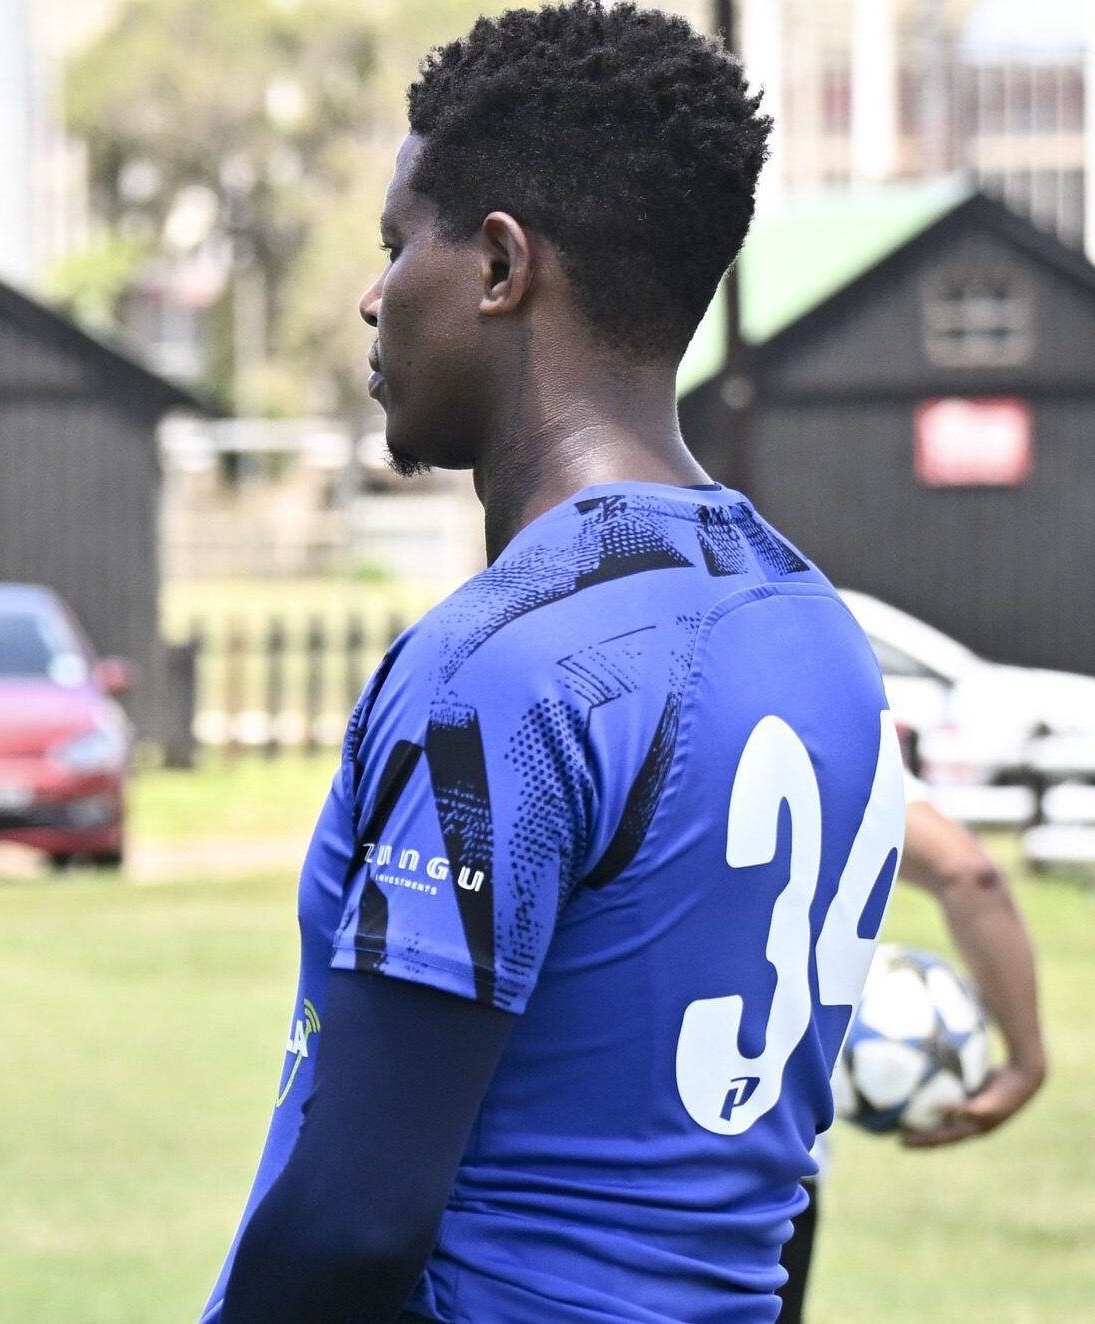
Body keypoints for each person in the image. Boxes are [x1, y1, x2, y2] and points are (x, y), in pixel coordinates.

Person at [201, 5, 909, 1321]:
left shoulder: (510, 671)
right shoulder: (821, 635)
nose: (373, 293)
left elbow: (356, 1221)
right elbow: (773, 1174)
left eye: (397, 240)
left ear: (501, 266)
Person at [775, 785, 1047, 1323]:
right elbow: (969, 872)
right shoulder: (831, 718)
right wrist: (1025, 1064)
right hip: (770, 1159)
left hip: (588, 1149)